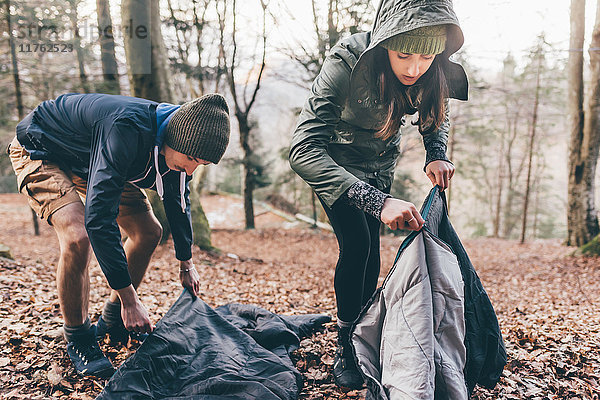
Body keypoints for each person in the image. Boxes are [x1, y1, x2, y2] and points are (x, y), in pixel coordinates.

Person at [289, 0, 468, 390]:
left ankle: (362, 331)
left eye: (425, 56)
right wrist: (377, 202)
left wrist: (436, 155)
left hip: (380, 167)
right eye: (403, 55)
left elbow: (436, 108)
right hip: (336, 167)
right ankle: (346, 344)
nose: (413, 68)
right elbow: (303, 149)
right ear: (385, 42)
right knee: (356, 243)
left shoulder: (429, 69)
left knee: (372, 251)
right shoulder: (346, 62)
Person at [8, 92, 230, 378]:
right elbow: (99, 219)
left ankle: (111, 321)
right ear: (173, 139)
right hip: (41, 148)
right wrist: (131, 299)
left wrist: (186, 262)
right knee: (79, 236)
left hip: (92, 159)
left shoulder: (180, 141)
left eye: (200, 164)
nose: (190, 169)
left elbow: (177, 201)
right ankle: (79, 337)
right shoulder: (125, 128)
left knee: (149, 231)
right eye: (189, 159)